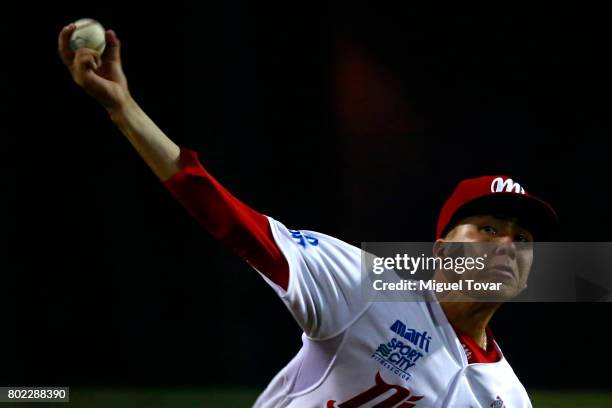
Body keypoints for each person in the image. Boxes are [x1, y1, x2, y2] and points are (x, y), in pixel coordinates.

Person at [59, 24, 557, 408]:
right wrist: (123, 109)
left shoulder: (508, 397)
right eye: (488, 229)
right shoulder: (367, 290)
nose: (507, 246)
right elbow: (230, 220)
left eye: (523, 239)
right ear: (443, 248)